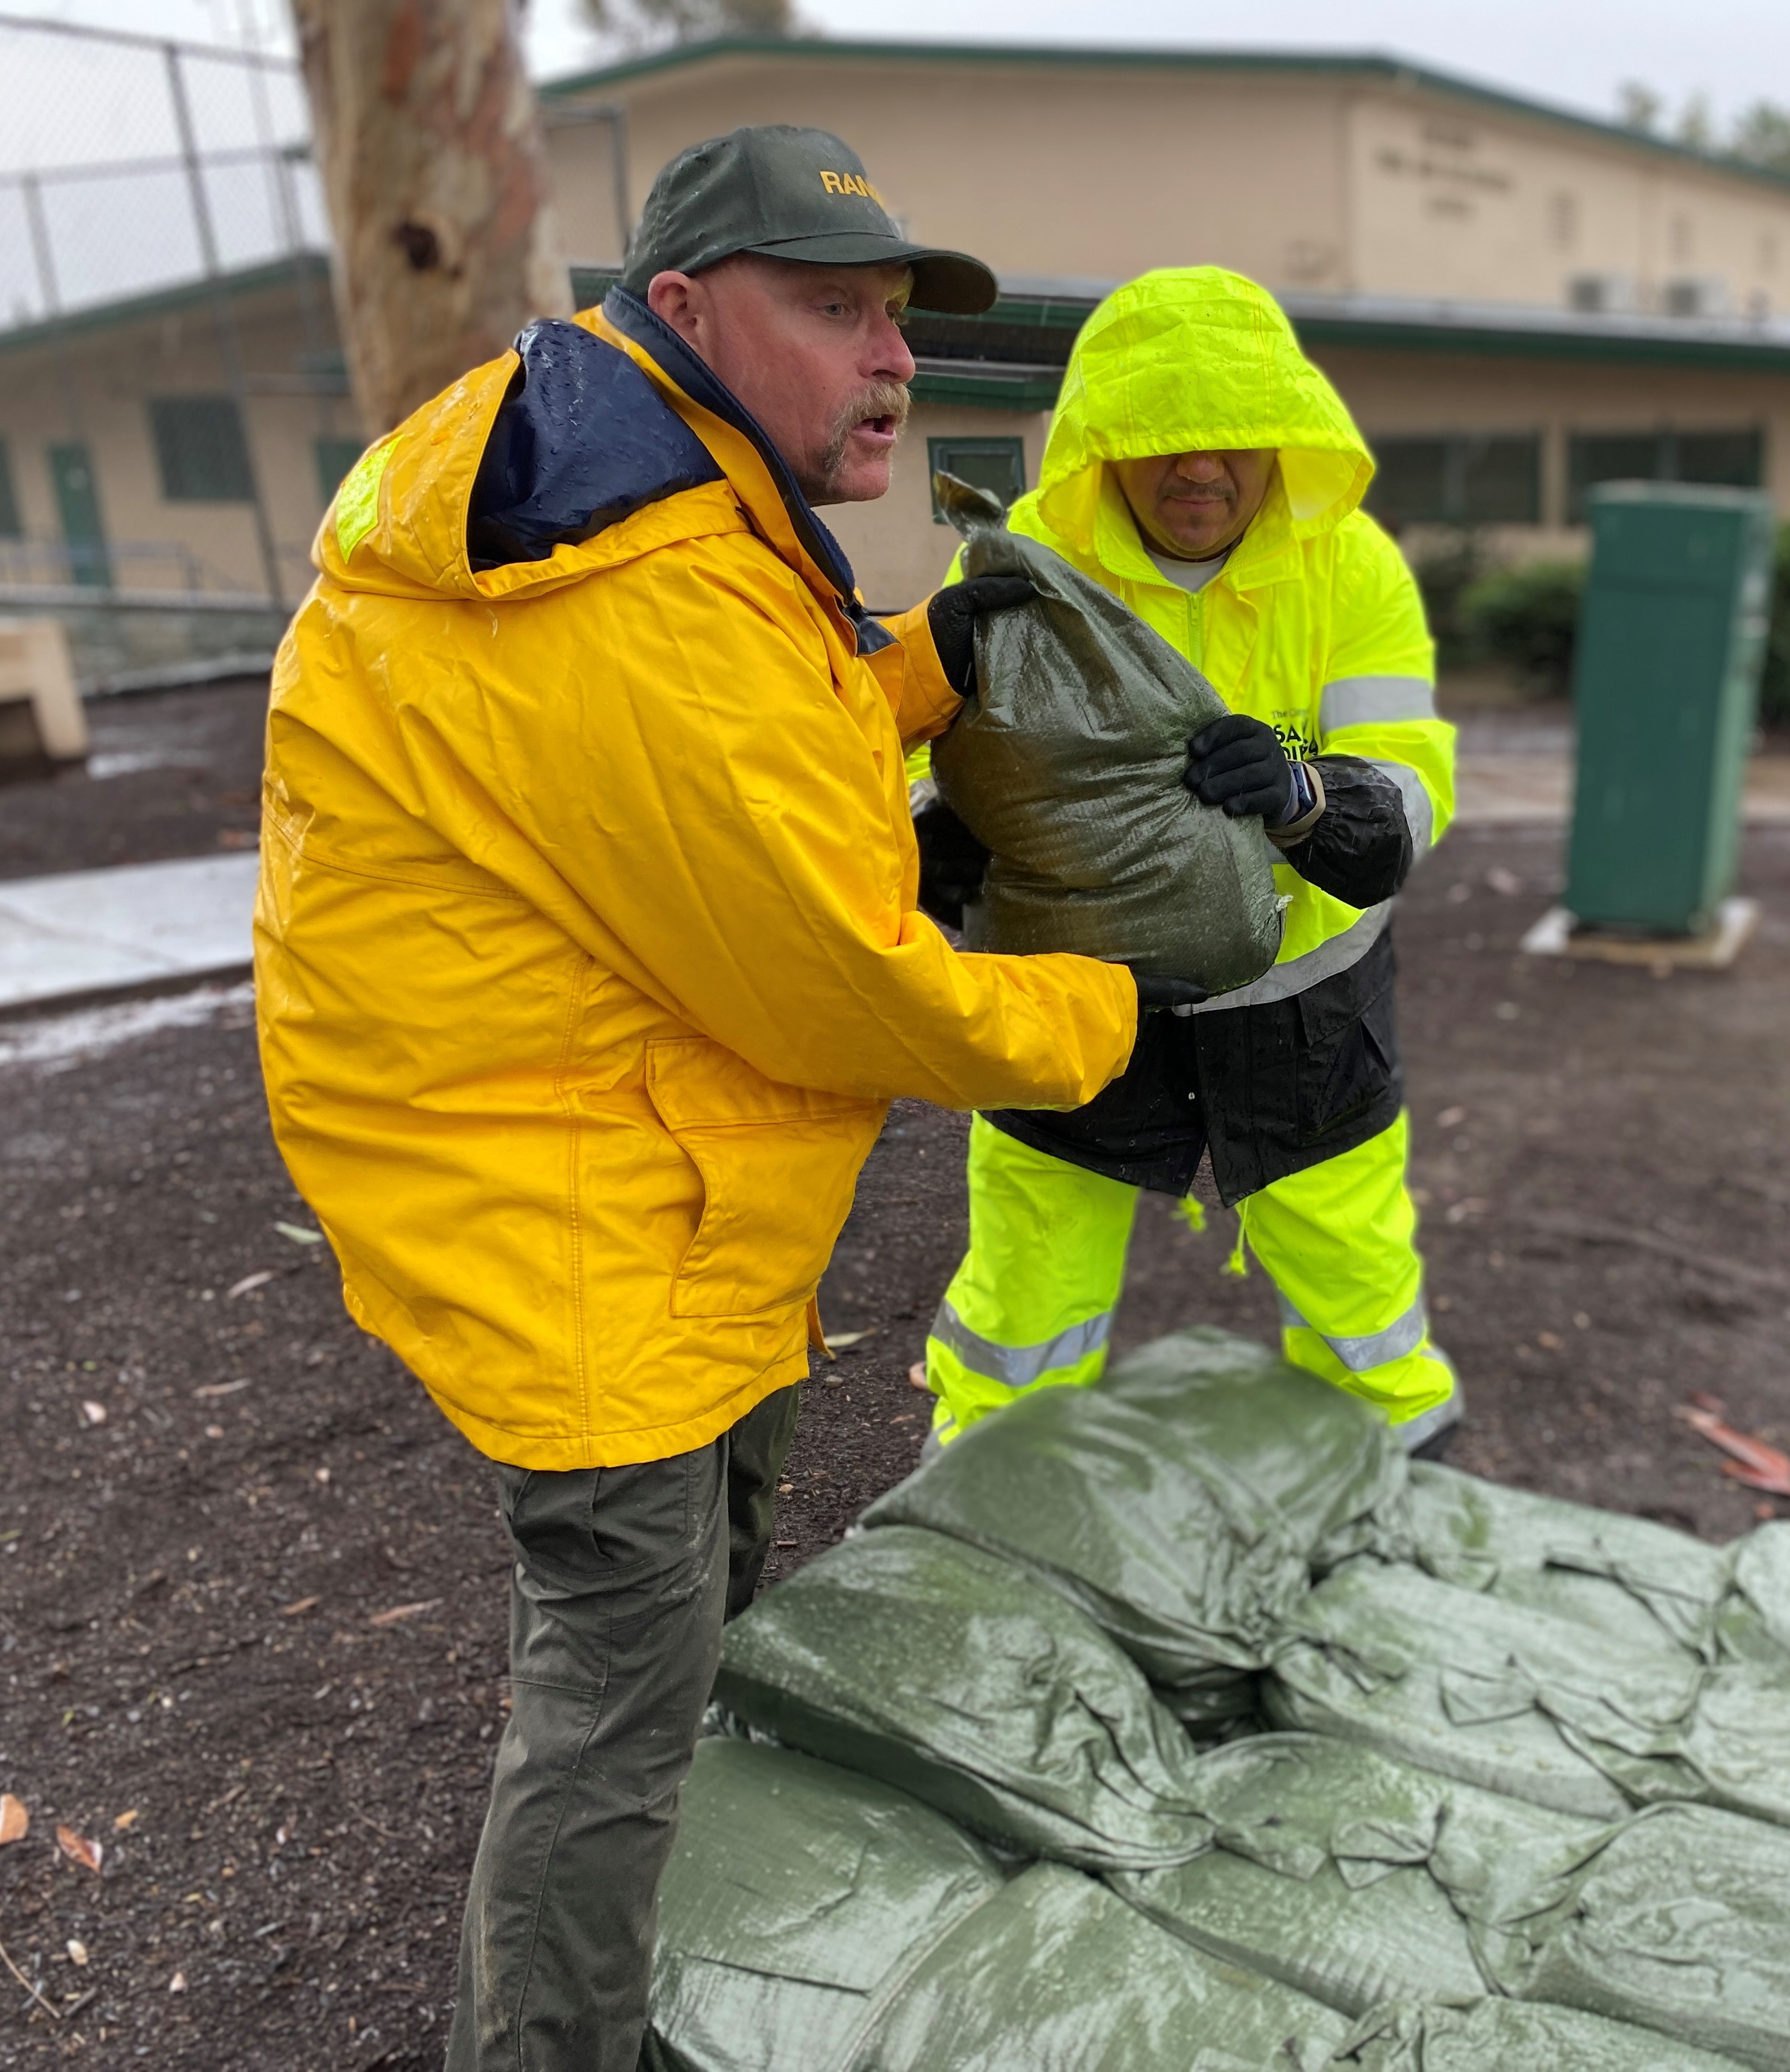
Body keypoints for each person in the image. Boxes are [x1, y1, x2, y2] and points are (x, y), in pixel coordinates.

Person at [253, 126, 1152, 2072]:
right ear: (683, 308)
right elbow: (836, 980)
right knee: (618, 1688)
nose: (891, 365)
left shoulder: (648, 492)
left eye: (894, 321)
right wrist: (1115, 1008)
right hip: (571, 1205)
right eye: (835, 312)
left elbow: (741, 745)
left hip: (622, 1150)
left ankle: (579, 1999)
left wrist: (921, 668)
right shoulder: (632, 584)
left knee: (681, 1617)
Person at [912, 267, 1462, 1452]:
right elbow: (937, 750)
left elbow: (1412, 781)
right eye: (1162, 443)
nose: (1197, 473)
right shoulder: (1016, 568)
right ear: (1105, 445)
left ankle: (1404, 1458)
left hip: (1302, 1002)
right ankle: (982, 1491)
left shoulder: (1353, 567)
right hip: (1076, 989)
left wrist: (1311, 798)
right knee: (1029, 1274)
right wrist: (931, 830)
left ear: (1282, 443)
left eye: (1229, 443)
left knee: (1354, 1270)